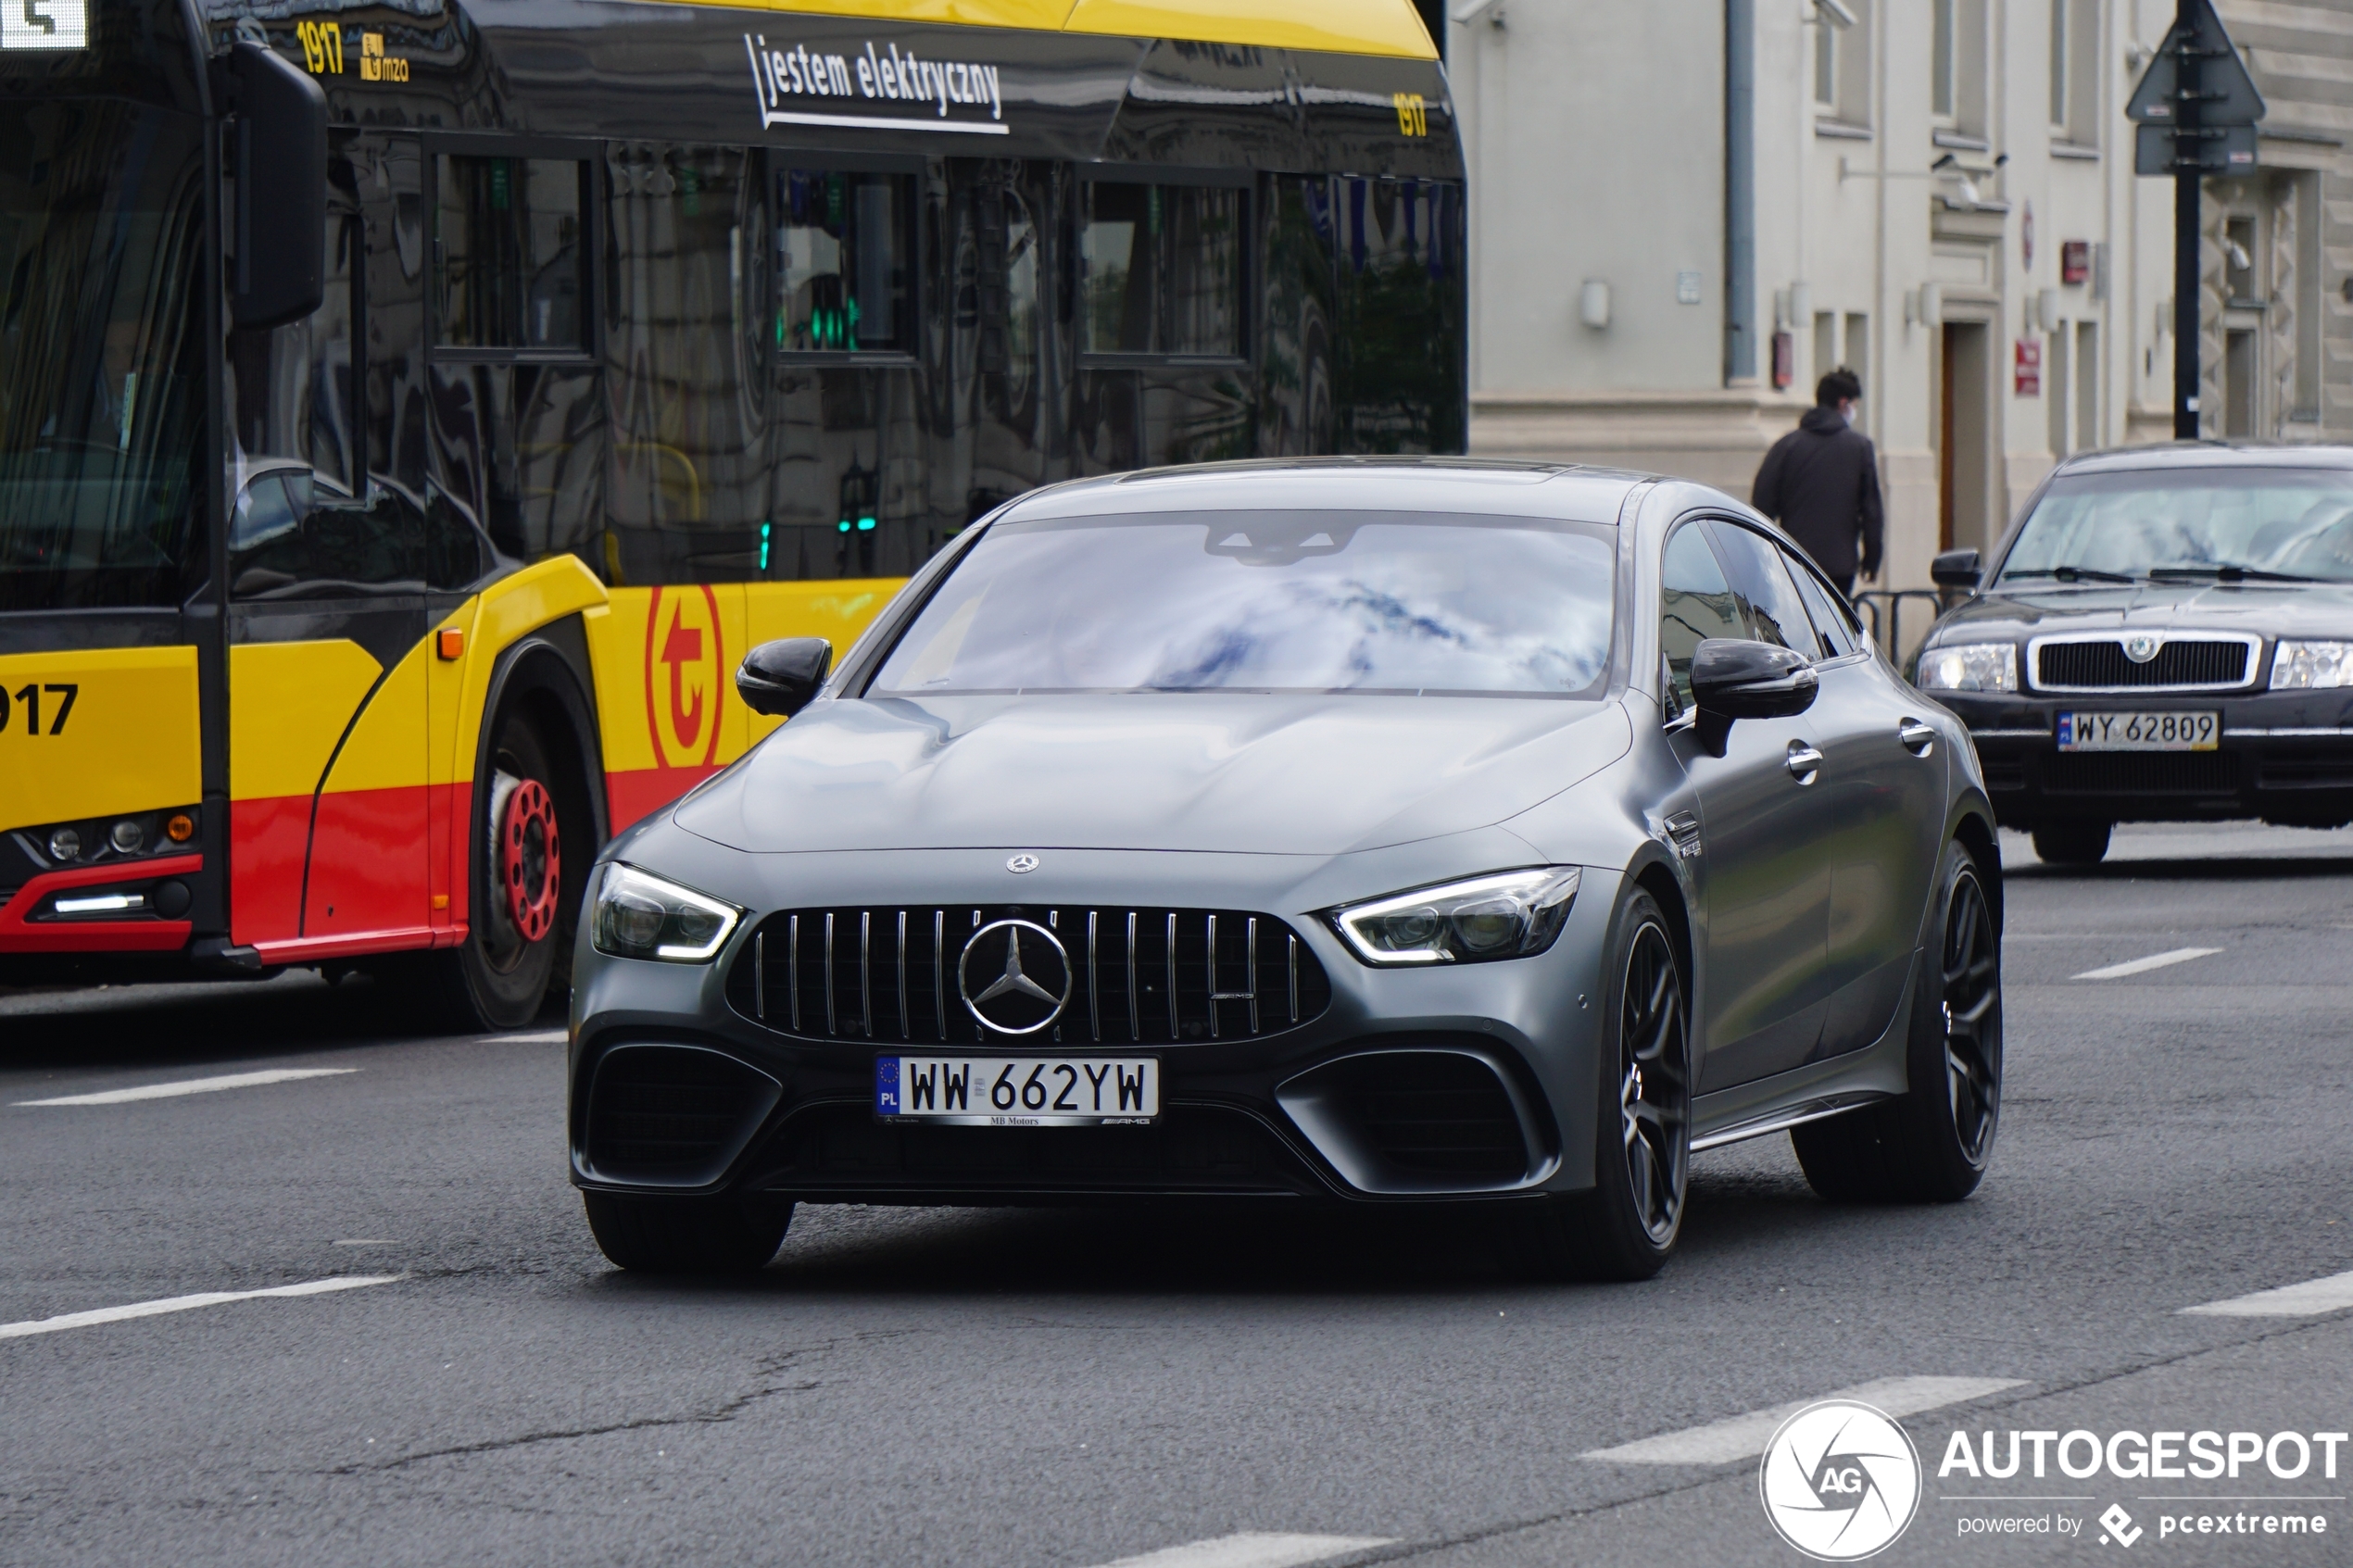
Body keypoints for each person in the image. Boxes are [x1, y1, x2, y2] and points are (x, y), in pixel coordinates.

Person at [1752, 367, 1883, 598]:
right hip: (1840, 566)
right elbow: (1871, 511)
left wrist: (1766, 557)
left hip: (1794, 562)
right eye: (1854, 405)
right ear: (1844, 403)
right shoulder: (1859, 448)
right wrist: (1872, 559)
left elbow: (1762, 505)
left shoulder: (1786, 446)